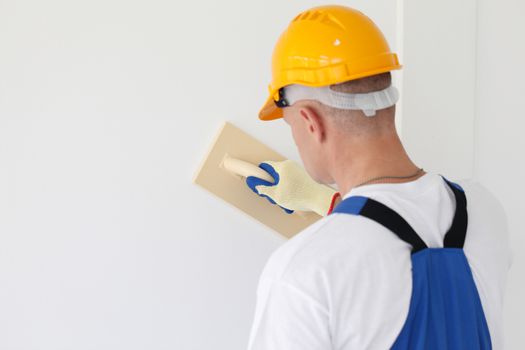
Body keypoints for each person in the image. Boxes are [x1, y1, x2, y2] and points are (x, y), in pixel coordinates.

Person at [245, 5, 512, 350]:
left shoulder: (303, 272)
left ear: (310, 122)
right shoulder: (484, 210)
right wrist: (320, 200)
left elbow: (372, 245)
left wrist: (329, 216)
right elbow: (396, 235)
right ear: (388, 101)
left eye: (290, 124)